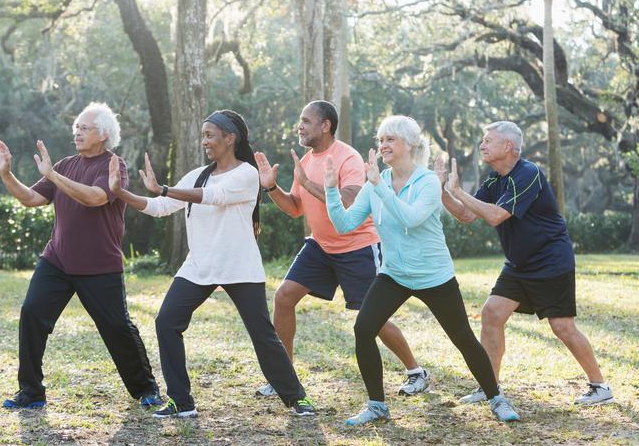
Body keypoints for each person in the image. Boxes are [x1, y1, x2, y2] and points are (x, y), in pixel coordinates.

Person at [108, 109, 316, 418]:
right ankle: (181, 401)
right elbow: (161, 207)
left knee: (263, 334)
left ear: (230, 138)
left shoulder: (246, 174)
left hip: (239, 266)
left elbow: (213, 197)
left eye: (210, 135)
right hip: (199, 266)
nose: (204, 141)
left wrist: (163, 187)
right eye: (203, 135)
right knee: (166, 322)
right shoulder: (198, 174)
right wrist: (120, 192)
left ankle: (296, 397)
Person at [323, 115, 520, 425]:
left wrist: (379, 186)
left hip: (434, 276)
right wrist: (332, 191)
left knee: (463, 338)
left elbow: (410, 219)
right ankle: (376, 405)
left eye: (390, 139)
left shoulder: (427, 181)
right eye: (381, 140)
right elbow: (345, 224)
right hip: (394, 275)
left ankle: (496, 398)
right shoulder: (377, 182)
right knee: (363, 329)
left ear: (411, 145)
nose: (383, 145)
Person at [254, 101, 428, 398]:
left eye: (306, 121)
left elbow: (348, 200)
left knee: (373, 318)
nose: (300, 126)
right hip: (321, 246)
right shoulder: (307, 161)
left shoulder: (346, 156)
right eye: (300, 120)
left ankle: (416, 371)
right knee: (283, 297)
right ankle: (284, 377)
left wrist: (308, 184)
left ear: (325, 125)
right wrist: (271, 188)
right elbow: (295, 208)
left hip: (357, 246)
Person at [0, 102, 162, 409]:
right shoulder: (64, 165)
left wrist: (54, 177)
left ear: (103, 134)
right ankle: (31, 391)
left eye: (84, 128)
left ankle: (146, 388)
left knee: (116, 327)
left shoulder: (115, 165)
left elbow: (96, 198)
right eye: (76, 128)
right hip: (57, 260)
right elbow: (32, 198)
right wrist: (6, 174)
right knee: (32, 314)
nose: (77, 133)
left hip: (99, 265)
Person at [436, 120, 613, 406]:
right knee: (492, 313)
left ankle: (600, 386)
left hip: (550, 261)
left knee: (562, 327)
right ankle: (489, 387)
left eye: (487, 140)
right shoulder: (494, 179)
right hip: (519, 264)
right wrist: (442, 189)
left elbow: (495, 216)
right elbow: (467, 215)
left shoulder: (528, 173)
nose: (482, 144)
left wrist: (458, 191)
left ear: (508, 146)